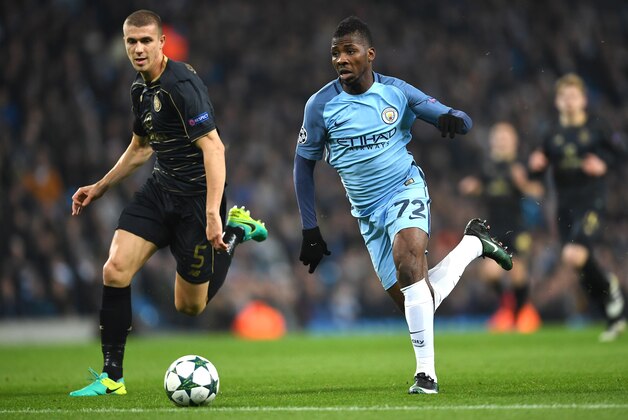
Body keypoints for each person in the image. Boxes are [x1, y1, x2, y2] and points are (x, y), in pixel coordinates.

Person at [293, 16, 512, 395]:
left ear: (370, 54)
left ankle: (426, 375)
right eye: (335, 53)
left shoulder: (395, 92)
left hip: (404, 188)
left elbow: (454, 115)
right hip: (366, 215)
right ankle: (473, 245)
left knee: (409, 262)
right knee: (419, 299)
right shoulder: (321, 106)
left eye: (350, 51)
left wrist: (453, 120)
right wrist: (310, 228)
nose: (341, 59)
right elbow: (302, 166)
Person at [69, 10, 267, 396]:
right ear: (124, 45)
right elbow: (141, 148)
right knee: (115, 269)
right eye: (131, 41)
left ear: (161, 43)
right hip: (160, 191)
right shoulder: (139, 89)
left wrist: (213, 213)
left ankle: (235, 231)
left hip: (196, 201)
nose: (139, 49)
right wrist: (101, 185)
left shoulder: (182, 86)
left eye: (146, 41)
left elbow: (214, 147)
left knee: (189, 307)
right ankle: (112, 378)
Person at [528, 73, 626, 342]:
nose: (570, 102)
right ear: (558, 102)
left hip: (591, 201)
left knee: (575, 254)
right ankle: (611, 307)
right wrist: (535, 166)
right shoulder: (551, 134)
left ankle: (609, 294)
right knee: (576, 261)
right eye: (564, 97)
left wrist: (604, 164)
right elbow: (537, 168)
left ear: (583, 99)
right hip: (565, 205)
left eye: (574, 96)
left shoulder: (597, 128)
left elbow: (620, 154)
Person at [458, 122, 542, 333]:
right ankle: (507, 307)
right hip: (492, 228)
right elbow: (476, 185)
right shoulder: (486, 165)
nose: (502, 141)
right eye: (498, 137)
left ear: (514, 141)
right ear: (492, 141)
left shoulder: (521, 164)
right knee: (490, 274)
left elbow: (537, 192)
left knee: (517, 274)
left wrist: (523, 184)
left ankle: (520, 314)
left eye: (506, 137)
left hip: (517, 227)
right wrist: (471, 187)